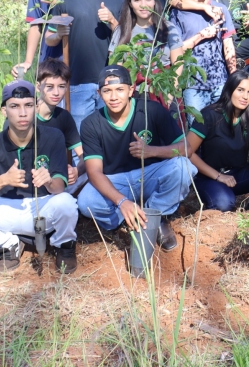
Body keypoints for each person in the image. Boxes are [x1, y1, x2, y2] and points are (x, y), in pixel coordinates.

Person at [0, 80, 78, 274]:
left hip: (43, 207)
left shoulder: (53, 137)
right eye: (14, 106)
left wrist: (49, 181)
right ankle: (10, 244)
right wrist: (3, 180)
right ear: (4, 111)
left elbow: (60, 187)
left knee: (67, 203)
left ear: (36, 107)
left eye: (28, 105)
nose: (22, 113)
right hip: (6, 209)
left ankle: (64, 246)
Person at [76, 66, 194, 248]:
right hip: (115, 181)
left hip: (150, 174)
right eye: (107, 91)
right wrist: (122, 201)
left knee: (184, 167)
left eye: (119, 90)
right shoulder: (90, 124)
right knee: (86, 202)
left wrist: (152, 151)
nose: (113, 97)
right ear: (99, 93)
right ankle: (127, 218)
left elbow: (186, 148)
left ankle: (155, 214)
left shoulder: (151, 111)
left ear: (131, 90)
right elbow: (94, 172)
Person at [172, 70, 249, 211]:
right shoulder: (209, 115)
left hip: (238, 176)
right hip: (209, 177)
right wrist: (219, 176)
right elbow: (187, 151)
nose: (245, 96)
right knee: (224, 203)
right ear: (230, 89)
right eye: (240, 90)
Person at [46, 0, 123, 127]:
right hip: (76, 84)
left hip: (110, 83)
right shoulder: (65, 2)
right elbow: (48, 38)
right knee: (78, 143)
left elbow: (127, 40)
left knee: (110, 138)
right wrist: (58, 33)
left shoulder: (118, 1)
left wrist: (112, 21)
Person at [170, 0, 237, 115]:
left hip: (220, 82)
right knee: (196, 131)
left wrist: (234, 77)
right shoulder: (178, 12)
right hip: (192, 84)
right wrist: (201, 35)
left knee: (221, 130)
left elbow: (228, 45)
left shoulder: (221, 9)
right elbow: (177, 50)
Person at [32, 59, 85, 194]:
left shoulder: (64, 117)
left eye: (61, 86)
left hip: (56, 181)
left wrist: (76, 170)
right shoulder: (25, 117)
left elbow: (83, 154)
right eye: (49, 86)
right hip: (32, 181)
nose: (56, 92)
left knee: (94, 171)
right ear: (38, 86)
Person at [109, 0, 184, 69]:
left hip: (162, 81)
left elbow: (178, 64)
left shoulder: (168, 28)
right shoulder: (121, 30)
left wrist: (174, 83)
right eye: (137, 0)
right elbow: (115, 68)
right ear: (130, 3)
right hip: (130, 82)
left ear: (154, 1)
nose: (143, 5)